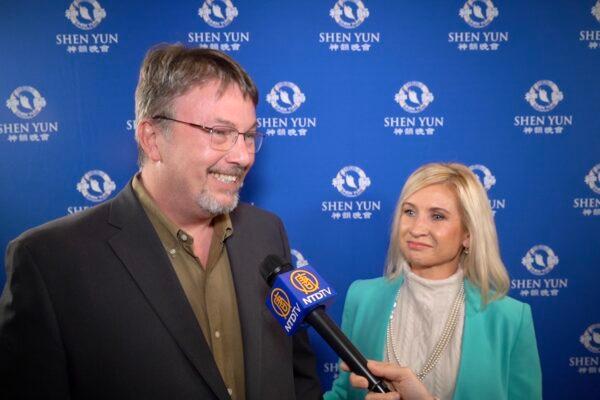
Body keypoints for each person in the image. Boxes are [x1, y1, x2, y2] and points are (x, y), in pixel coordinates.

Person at [0, 44, 321, 399]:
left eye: (248, 135)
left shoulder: (266, 232)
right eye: (220, 132)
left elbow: (298, 375)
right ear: (152, 139)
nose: (243, 156)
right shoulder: (50, 262)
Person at [324, 163, 542, 400]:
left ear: (468, 234)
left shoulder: (509, 318)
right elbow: (344, 393)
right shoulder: (362, 297)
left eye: (438, 216)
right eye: (409, 212)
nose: (417, 229)